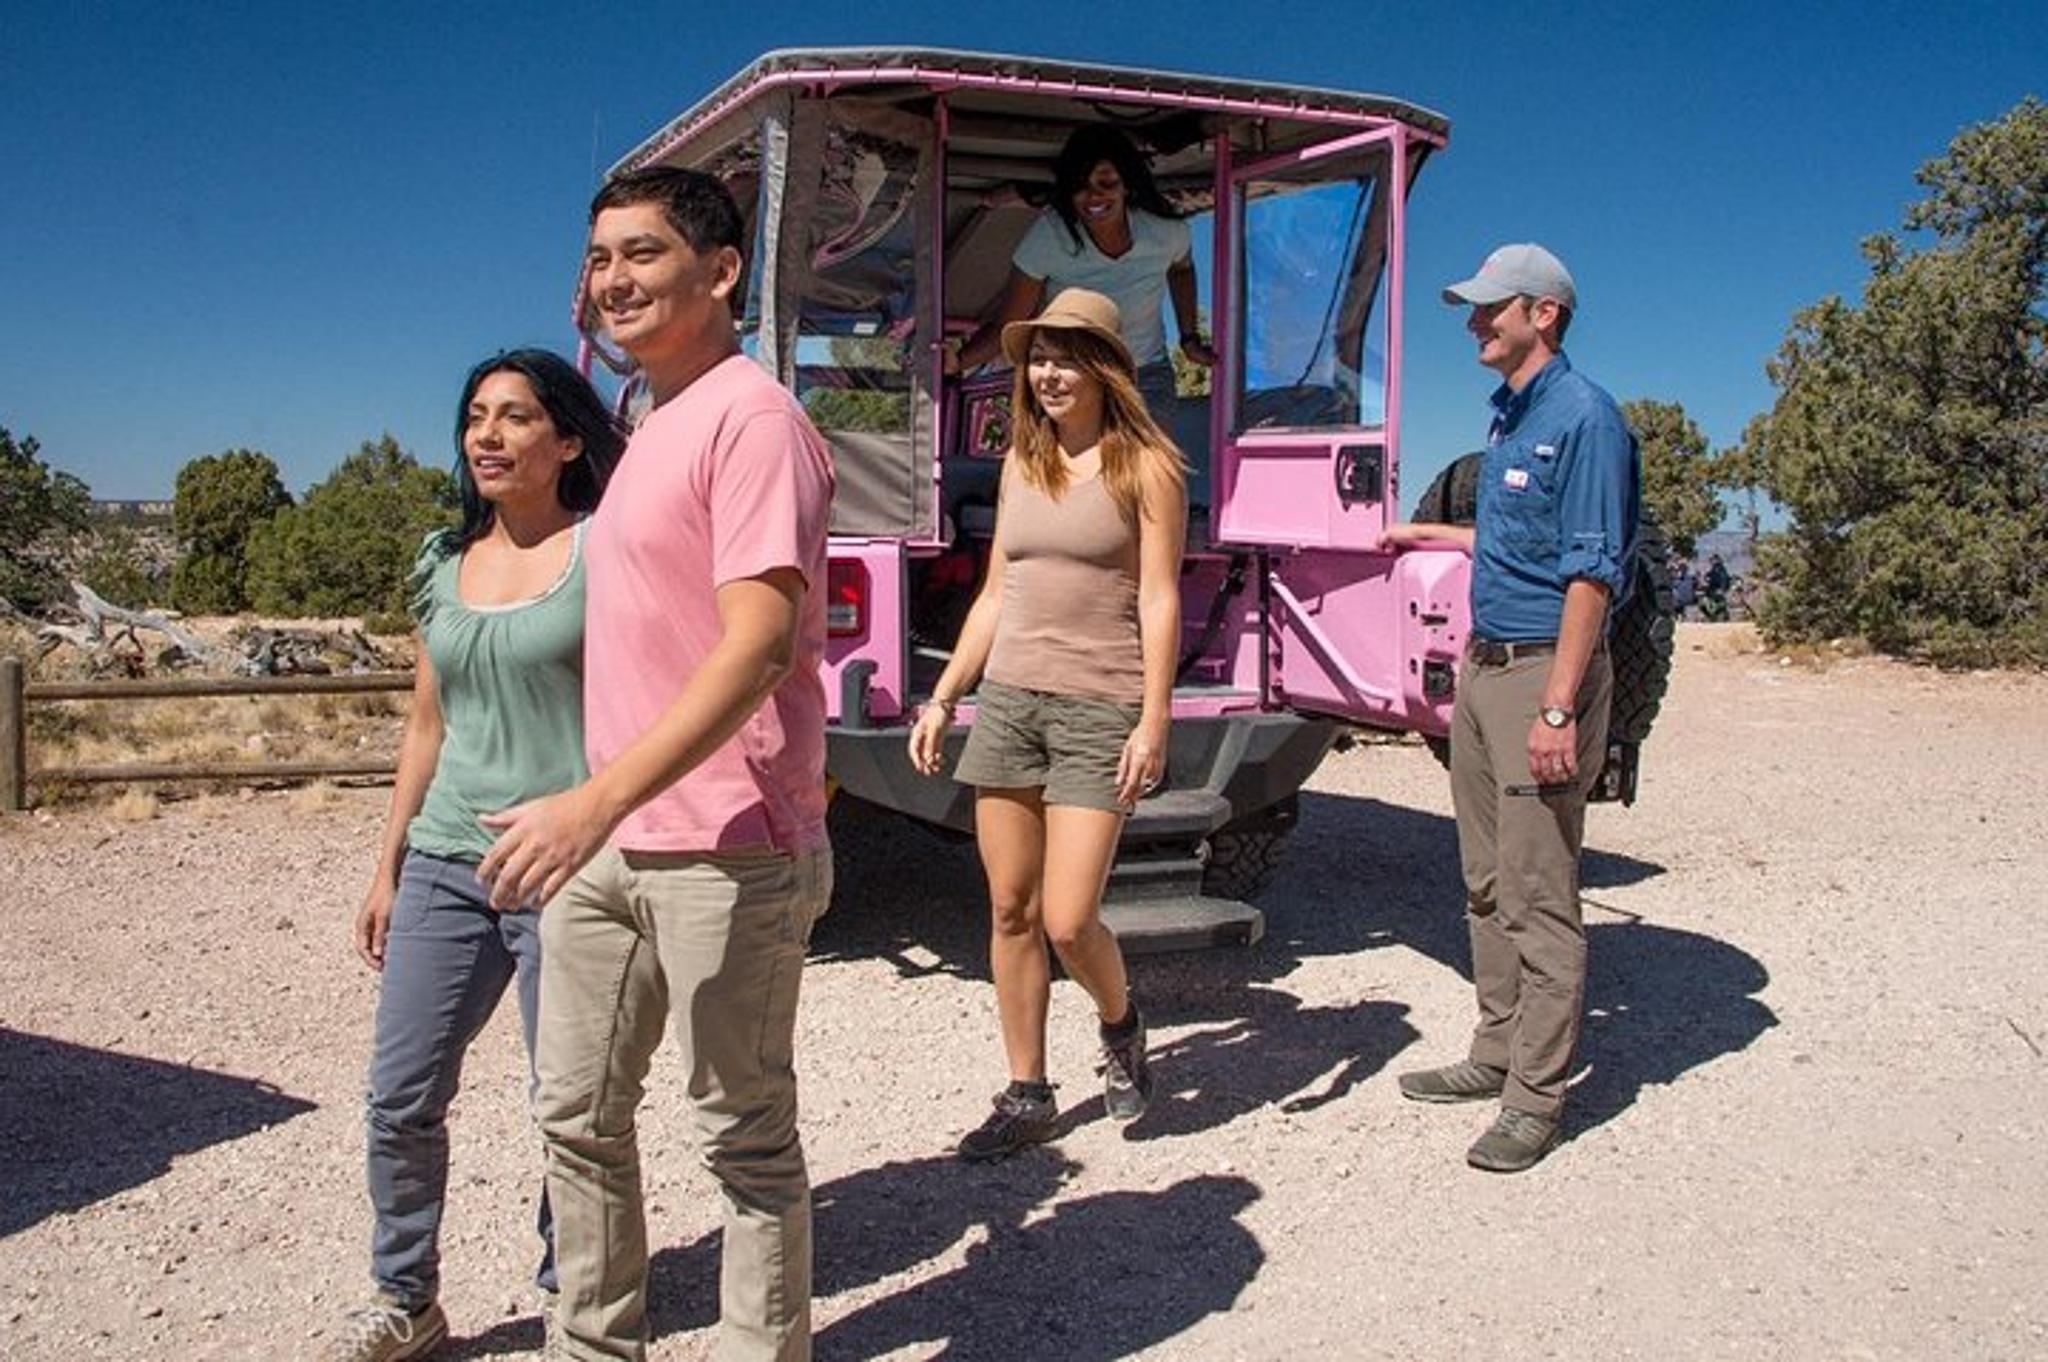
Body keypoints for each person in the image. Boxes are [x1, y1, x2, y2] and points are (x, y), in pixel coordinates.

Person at [473, 166, 835, 1362]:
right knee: (573, 1117)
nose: (610, 279)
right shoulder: (647, 426)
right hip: (616, 841)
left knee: (741, 1134)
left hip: (728, 844)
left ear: (721, 272)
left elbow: (757, 646)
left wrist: (593, 799)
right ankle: (592, 1345)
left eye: (640, 254)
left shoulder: (752, 419)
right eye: (598, 258)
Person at [327, 349, 625, 1362]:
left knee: (572, 1109)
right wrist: (389, 862)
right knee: (401, 1095)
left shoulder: (607, 554)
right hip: (449, 858)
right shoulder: (438, 559)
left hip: (567, 870)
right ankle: (404, 1297)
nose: (487, 435)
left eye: (514, 417)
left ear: (569, 440)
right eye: (476, 417)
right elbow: (426, 724)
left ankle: (571, 1298)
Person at [1378, 243, 1639, 1173]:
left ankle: (1537, 1096)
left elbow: (1589, 572)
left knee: (1536, 890)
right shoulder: (1510, 418)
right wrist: (1430, 531)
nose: (1473, 323)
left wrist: (1560, 708)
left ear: (1545, 315)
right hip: (1485, 673)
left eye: (1492, 309)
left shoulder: (1586, 418)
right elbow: (1521, 536)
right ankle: (1496, 1053)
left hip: (1542, 676)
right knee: (1485, 880)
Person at [911, 287, 1187, 1161]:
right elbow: (997, 593)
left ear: (1105, 369)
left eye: (1066, 357)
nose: (1047, 372)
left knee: (1071, 919)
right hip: (1012, 704)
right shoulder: (1018, 465)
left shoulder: (1148, 467)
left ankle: (1121, 1022)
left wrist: (1154, 719)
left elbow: (1159, 596)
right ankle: (1027, 1092)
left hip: (1099, 706)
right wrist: (947, 693)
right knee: (1008, 909)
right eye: (1038, 357)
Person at [946, 125, 1214, 417]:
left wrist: (1189, 338)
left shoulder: (1165, 232)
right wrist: (957, 362)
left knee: (1149, 463)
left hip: (1143, 373)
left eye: (1106, 182)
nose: (1093, 196)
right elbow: (1007, 325)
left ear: (1127, 183)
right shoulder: (1049, 236)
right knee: (1070, 463)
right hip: (1068, 376)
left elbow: (1181, 269)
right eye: (1080, 185)